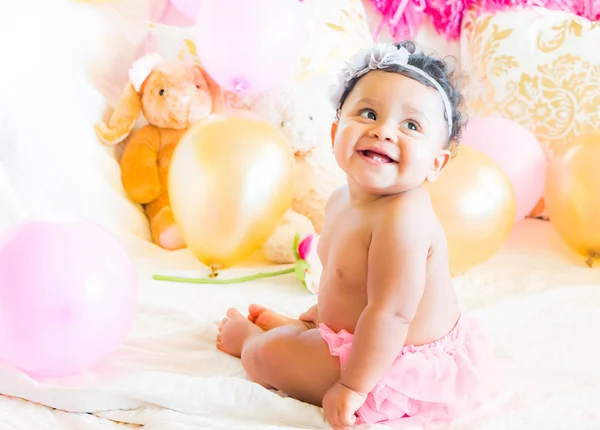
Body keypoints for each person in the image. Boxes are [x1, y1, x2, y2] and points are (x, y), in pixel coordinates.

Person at [216, 41, 492, 429]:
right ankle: (309, 333)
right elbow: (347, 277)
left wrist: (351, 386)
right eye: (368, 113)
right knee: (308, 343)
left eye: (411, 125)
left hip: (393, 363)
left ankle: (249, 342)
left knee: (269, 357)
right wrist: (325, 314)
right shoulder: (340, 199)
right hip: (365, 335)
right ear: (335, 133)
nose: (383, 132)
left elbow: (392, 314)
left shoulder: (403, 218)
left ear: (435, 163)